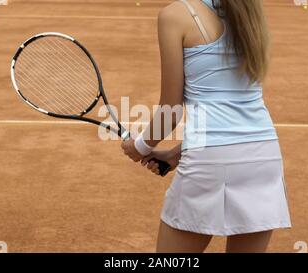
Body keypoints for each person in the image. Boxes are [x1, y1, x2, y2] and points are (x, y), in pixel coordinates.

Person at [121, 0, 291, 253]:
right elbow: (234, 111)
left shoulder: (175, 15)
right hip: (263, 157)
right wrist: (174, 153)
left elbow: (172, 110)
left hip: (211, 162)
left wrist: (140, 145)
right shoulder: (250, 11)